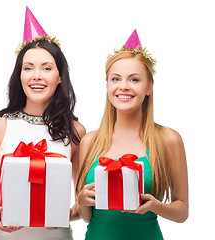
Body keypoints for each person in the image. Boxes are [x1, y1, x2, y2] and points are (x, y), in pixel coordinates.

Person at [0, 7, 86, 240]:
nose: (36, 75)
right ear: (20, 75)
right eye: (28, 68)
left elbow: (82, 199)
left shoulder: (75, 131)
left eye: (46, 68)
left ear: (60, 78)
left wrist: (66, 213)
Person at [75, 30, 189, 240]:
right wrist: (81, 201)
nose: (123, 86)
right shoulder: (90, 141)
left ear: (149, 87)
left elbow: (182, 212)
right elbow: (86, 217)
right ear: (107, 85)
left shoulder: (168, 139)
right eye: (115, 79)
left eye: (134, 79)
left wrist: (155, 206)